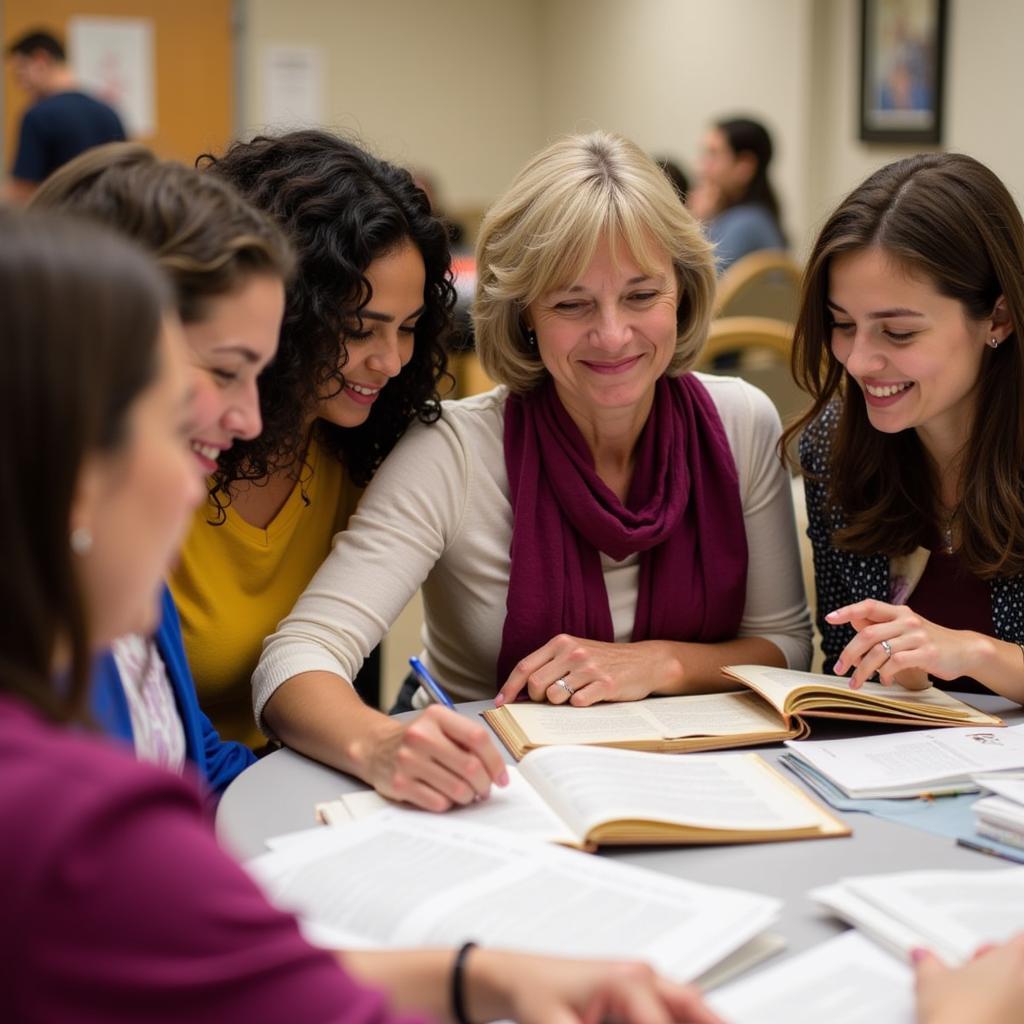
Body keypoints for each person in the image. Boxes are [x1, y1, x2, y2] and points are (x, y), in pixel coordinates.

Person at [0, 204, 724, 1024]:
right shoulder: (79, 814)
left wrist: (472, 973)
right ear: (73, 459)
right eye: (180, 420)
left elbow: (196, 767)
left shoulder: (128, 628)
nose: (229, 431)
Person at [252, 130, 812, 811]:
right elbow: (296, 660)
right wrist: (381, 746)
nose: (612, 335)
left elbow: (787, 648)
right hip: (493, 796)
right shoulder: (454, 450)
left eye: (641, 296)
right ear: (523, 317)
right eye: (572, 305)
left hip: (708, 790)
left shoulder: (741, 423)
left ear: (683, 294)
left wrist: (660, 663)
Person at [165, 130, 456, 746]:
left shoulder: (361, 450)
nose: (391, 362)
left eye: (407, 328)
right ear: (281, 311)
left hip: (288, 775)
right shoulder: (168, 457)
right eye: (358, 329)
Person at [30, 142, 295, 795]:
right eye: (226, 372)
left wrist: (363, 787)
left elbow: (185, 755)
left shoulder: (120, 541)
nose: (250, 420)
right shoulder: (38, 608)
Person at [785, 153, 1024, 702]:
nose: (860, 362)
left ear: (999, 318)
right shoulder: (836, 441)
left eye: (898, 333)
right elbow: (841, 659)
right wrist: (901, 681)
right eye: (843, 324)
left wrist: (978, 653)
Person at [5, 28, 126, 202]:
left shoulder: (37, 116)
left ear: (41, 59)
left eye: (21, 73)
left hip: (57, 225)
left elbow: (23, 191)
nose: (21, 85)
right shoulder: (109, 112)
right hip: (105, 225)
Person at [688, 117, 785, 273]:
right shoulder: (757, 216)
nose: (700, 168)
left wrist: (696, 223)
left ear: (744, 166)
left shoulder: (745, 224)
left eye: (713, 155)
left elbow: (696, 289)